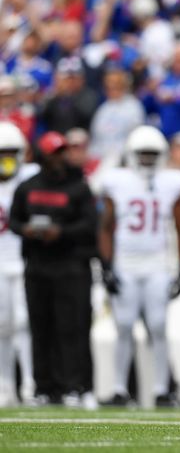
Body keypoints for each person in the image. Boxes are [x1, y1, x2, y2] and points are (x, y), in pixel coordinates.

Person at [98, 126, 180, 407]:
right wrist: (107, 266)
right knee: (123, 326)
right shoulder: (117, 180)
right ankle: (119, 389)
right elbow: (106, 226)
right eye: (143, 155)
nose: (147, 160)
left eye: (152, 155)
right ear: (132, 155)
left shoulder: (172, 181)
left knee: (159, 326)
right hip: (125, 263)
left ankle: (161, 389)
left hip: (157, 265)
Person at [8, 132, 97, 409]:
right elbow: (14, 220)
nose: (59, 158)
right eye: (54, 153)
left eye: (62, 152)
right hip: (37, 265)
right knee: (40, 326)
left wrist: (61, 232)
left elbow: (89, 224)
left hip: (70, 265)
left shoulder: (78, 187)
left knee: (71, 328)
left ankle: (73, 385)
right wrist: (28, 230)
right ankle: (44, 386)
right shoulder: (28, 186)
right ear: (43, 156)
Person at [0, 122, 37, 407]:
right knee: (2, 325)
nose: (7, 160)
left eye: (11, 152)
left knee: (24, 323)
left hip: (24, 261)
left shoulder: (31, 177)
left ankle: (29, 384)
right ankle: (5, 385)